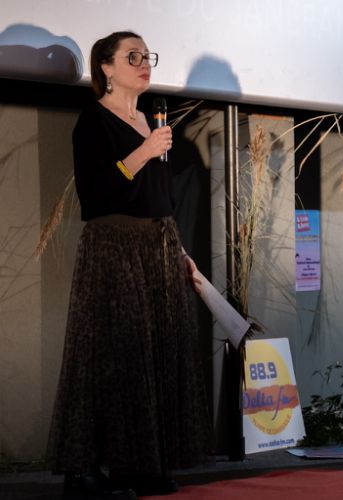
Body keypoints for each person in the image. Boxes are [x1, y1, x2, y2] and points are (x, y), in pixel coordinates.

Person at [47, 31, 211, 499]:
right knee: (114, 356)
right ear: (106, 67)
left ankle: (141, 464)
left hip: (157, 243)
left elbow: (159, 195)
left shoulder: (148, 120)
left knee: (155, 355)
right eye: (132, 56)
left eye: (146, 56)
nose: (144, 64)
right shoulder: (94, 121)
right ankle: (83, 472)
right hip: (115, 244)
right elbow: (97, 192)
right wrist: (143, 151)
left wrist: (179, 251)